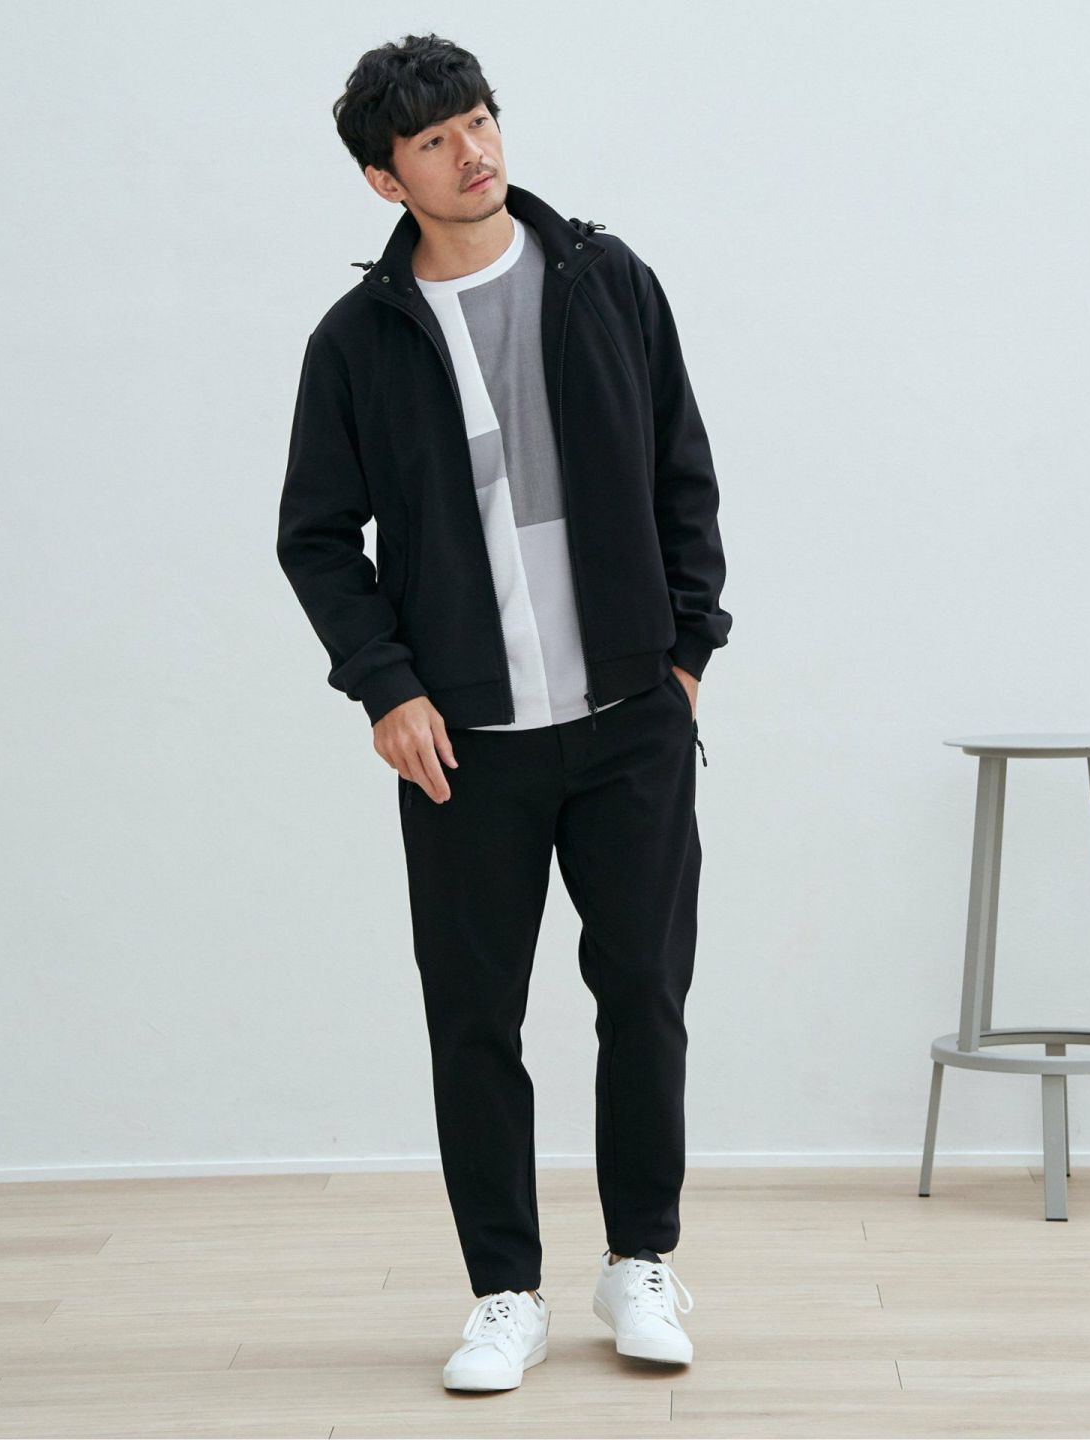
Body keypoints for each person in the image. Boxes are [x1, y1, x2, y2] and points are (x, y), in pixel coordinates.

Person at [276, 31, 731, 1393]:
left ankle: (640, 1261)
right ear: (385, 178)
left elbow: (683, 472)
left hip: (631, 718)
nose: (473, 151)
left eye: (479, 119)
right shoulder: (358, 341)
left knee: (643, 994)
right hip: (465, 746)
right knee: (475, 1018)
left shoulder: (604, 278)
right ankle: (503, 1289)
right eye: (435, 140)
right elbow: (316, 538)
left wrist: (687, 654)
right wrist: (388, 685)